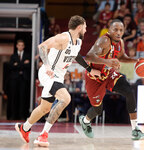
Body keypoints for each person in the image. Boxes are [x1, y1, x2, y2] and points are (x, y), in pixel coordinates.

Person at [15, 15, 101, 147]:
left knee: (45, 108)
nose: (86, 30)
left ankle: (24, 128)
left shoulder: (78, 42)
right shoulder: (62, 38)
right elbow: (42, 46)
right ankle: (43, 135)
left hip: (58, 76)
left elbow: (76, 55)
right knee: (66, 99)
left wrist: (89, 69)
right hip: (48, 73)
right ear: (79, 27)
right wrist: (47, 65)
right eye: (84, 27)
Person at [79, 19, 144, 140]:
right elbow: (89, 56)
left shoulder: (120, 42)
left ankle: (135, 130)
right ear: (109, 30)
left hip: (108, 74)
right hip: (94, 78)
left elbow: (121, 57)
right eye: (115, 29)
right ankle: (85, 121)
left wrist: (135, 60)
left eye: (121, 30)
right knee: (97, 109)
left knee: (129, 91)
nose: (118, 32)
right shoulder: (104, 40)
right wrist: (107, 61)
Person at [7, 39, 31, 120]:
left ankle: (22, 115)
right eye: (19, 45)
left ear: (23, 46)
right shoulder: (13, 56)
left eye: (22, 45)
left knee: (23, 97)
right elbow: (11, 67)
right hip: (14, 79)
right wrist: (23, 64)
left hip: (24, 79)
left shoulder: (27, 55)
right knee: (14, 97)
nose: (20, 47)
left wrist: (17, 65)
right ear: (17, 46)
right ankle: (13, 115)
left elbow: (28, 66)